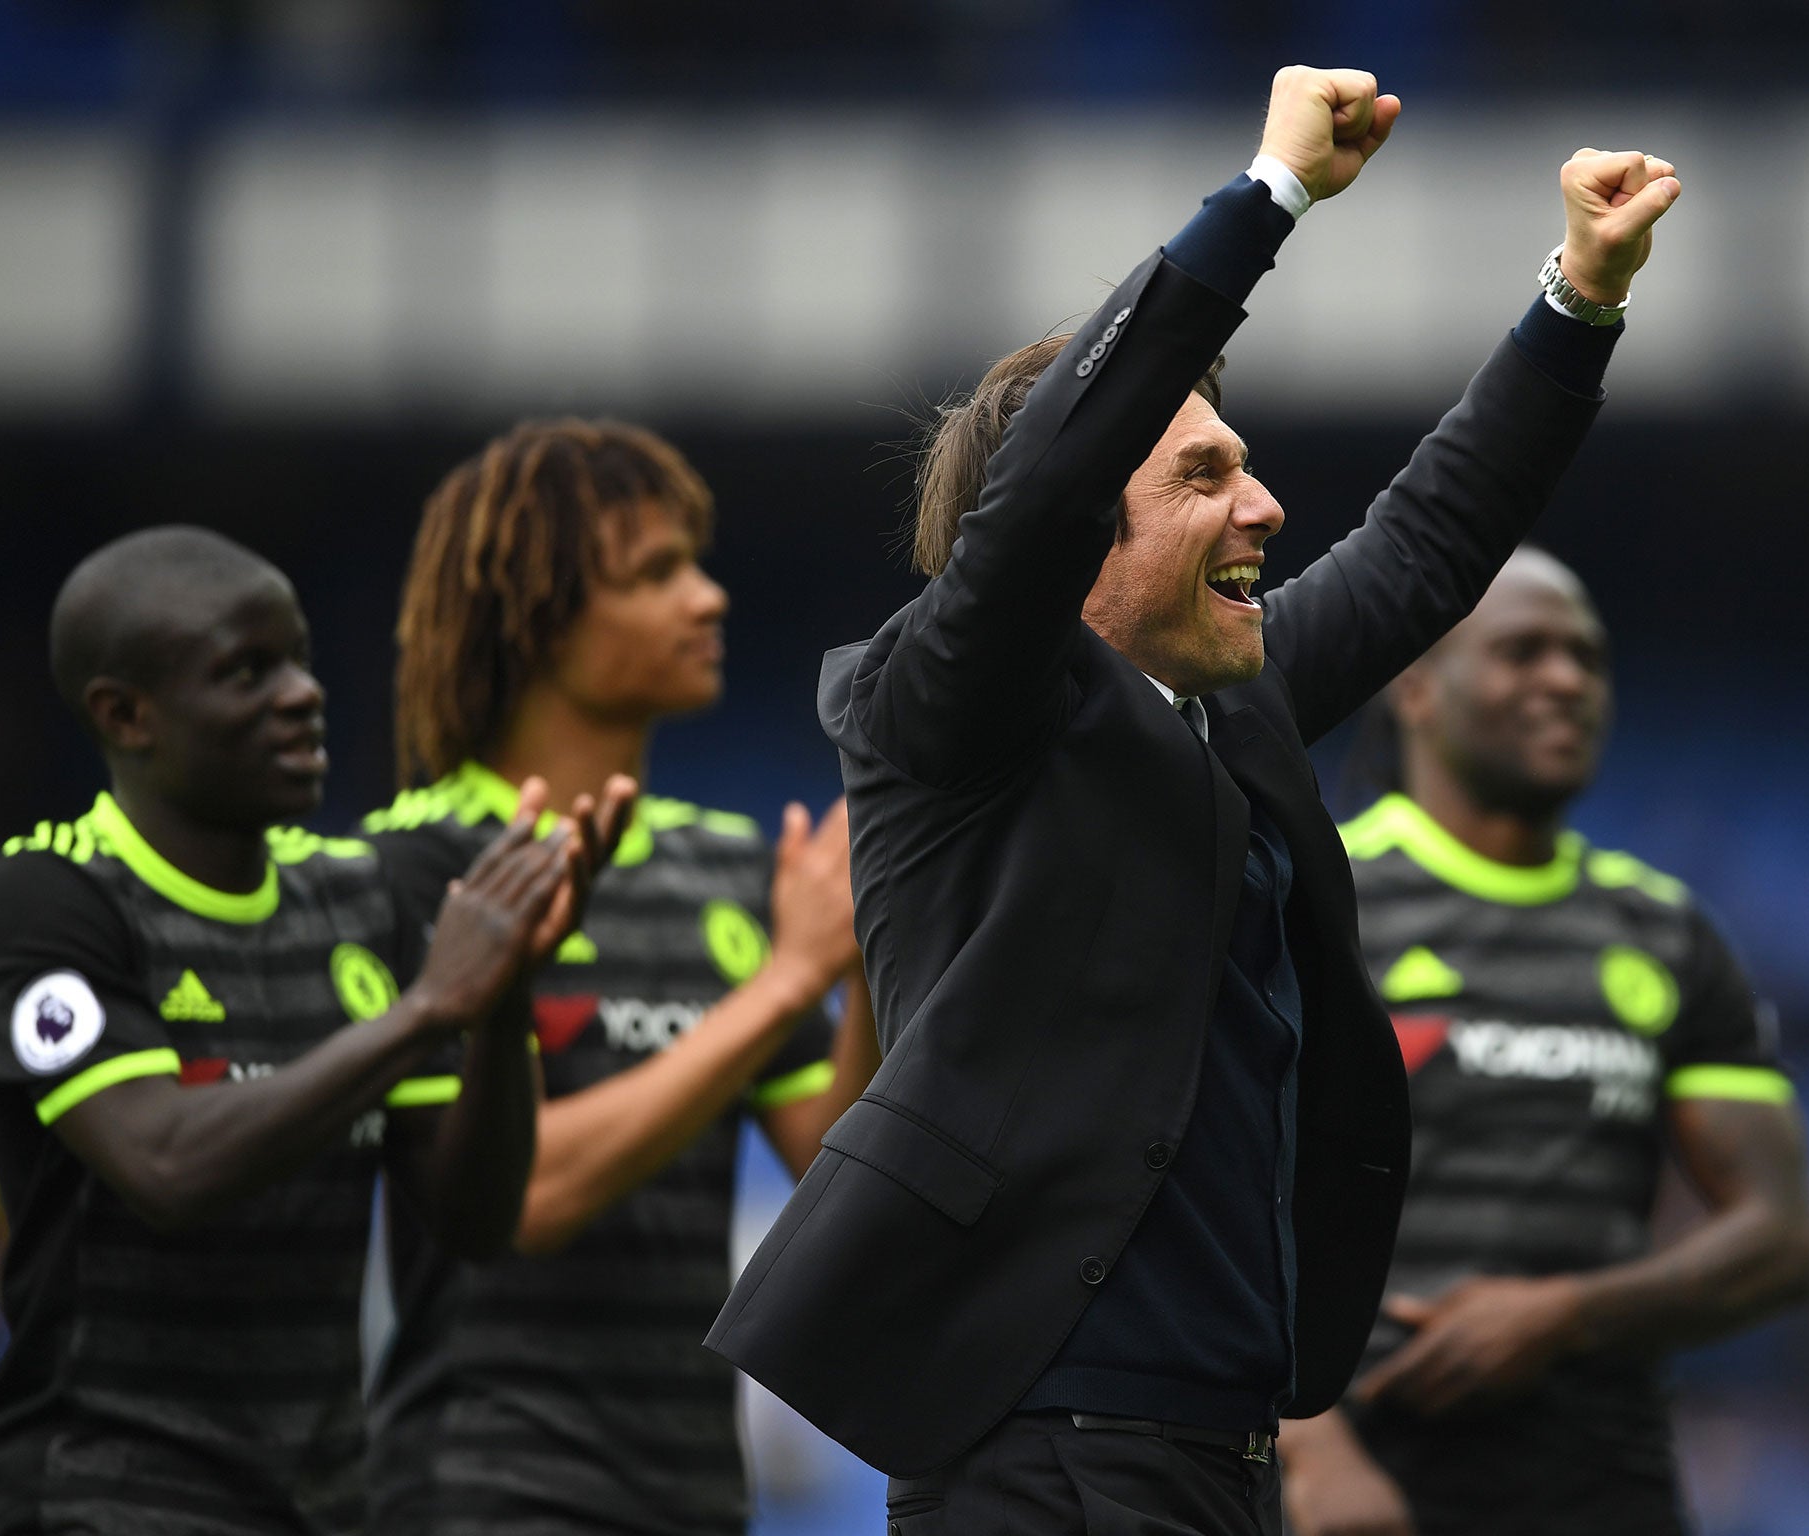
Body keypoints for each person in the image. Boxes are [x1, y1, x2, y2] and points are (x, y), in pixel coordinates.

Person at [707, 63, 1682, 1535]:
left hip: (1221, 1453)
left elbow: (1427, 543)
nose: (1265, 508)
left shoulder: (1236, 706)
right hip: (1040, 1448)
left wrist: (1578, 300)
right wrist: (1268, 197)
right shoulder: (940, 703)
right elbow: (1034, 492)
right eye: (1205, 475)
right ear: (1087, 521)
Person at [0, 526, 628, 1536]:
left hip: (319, 1504)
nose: (301, 694)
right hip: (108, 1498)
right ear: (126, 716)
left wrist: (497, 1007)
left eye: (299, 659)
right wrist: (424, 1011)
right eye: (245, 672)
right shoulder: (47, 903)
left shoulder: (359, 897)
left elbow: (474, 1221)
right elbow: (164, 1164)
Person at [360, 419, 878, 1536]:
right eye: (655, 575)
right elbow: (523, 1198)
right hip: (483, 1494)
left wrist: (867, 957)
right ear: (536, 617)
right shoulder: (406, 873)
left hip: (692, 1492)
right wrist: (786, 985)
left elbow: (828, 1164)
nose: (707, 598)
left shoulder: (729, 868)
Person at [1278, 548, 1809, 1536]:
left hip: (1601, 1486)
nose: (1564, 680)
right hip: (1360, 1488)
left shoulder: (1664, 931)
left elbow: (1777, 1243)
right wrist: (1309, 1451)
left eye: (1585, 658)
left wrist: (1562, 1314)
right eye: (1521, 653)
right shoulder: (1318, 900)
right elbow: (1187, 1196)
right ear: (1414, 687)